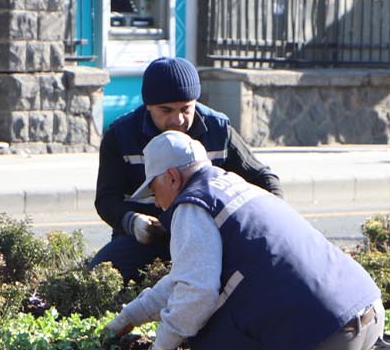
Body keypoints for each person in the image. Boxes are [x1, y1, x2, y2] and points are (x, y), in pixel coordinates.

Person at [103, 130, 386, 350]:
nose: (157, 202)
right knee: (322, 316)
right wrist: (127, 319)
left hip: (322, 334)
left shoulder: (191, 207)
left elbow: (197, 291)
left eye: (155, 190)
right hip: (363, 312)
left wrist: (160, 346)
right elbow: (182, 279)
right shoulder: (236, 187)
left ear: (172, 177)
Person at [92, 56, 282, 280]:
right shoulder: (120, 136)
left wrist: (269, 227)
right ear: (149, 106)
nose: (178, 119)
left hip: (209, 237)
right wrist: (134, 222)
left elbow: (265, 180)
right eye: (167, 110)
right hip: (147, 238)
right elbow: (106, 199)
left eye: (186, 109)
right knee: (98, 276)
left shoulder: (218, 130)